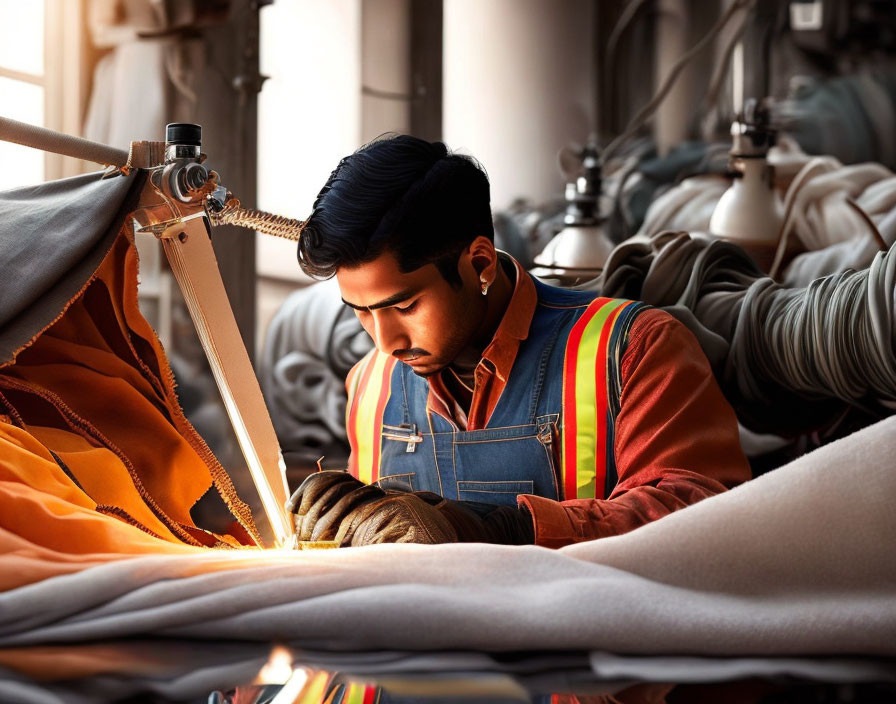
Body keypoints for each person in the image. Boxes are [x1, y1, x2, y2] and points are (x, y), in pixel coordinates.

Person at [287, 135, 750, 549]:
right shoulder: (371, 386)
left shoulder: (633, 349)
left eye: (404, 307)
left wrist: (505, 532)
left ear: (481, 264)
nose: (385, 342)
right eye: (362, 312)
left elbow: (701, 517)